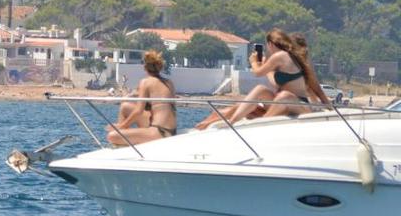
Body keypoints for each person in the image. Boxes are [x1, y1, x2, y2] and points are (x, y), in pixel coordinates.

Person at [197, 29, 329, 129]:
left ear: (270, 44)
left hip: (299, 105)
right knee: (259, 92)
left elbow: (258, 73)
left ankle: (260, 125)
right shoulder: (283, 61)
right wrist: (267, 66)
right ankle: (225, 123)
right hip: (282, 104)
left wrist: (254, 62)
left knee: (284, 96)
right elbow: (273, 80)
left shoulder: (287, 59)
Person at [107, 50, 177, 147]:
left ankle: (121, 137)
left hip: (160, 132)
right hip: (170, 130)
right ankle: (124, 137)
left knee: (112, 136)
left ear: (145, 67)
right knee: (125, 106)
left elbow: (138, 111)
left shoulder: (145, 82)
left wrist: (121, 126)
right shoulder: (169, 83)